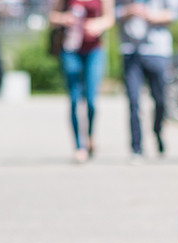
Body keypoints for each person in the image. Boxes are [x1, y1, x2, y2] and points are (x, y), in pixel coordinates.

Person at [49, 0, 115, 163]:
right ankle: (80, 146)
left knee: (91, 100)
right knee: (74, 99)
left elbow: (109, 18)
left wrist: (97, 25)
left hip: (94, 50)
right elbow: (52, 17)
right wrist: (65, 18)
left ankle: (90, 136)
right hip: (71, 50)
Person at [115, 0, 178, 160]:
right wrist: (128, 12)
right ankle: (136, 147)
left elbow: (174, 13)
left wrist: (150, 16)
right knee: (133, 100)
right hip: (130, 50)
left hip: (157, 51)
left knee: (160, 100)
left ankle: (157, 131)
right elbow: (112, 13)